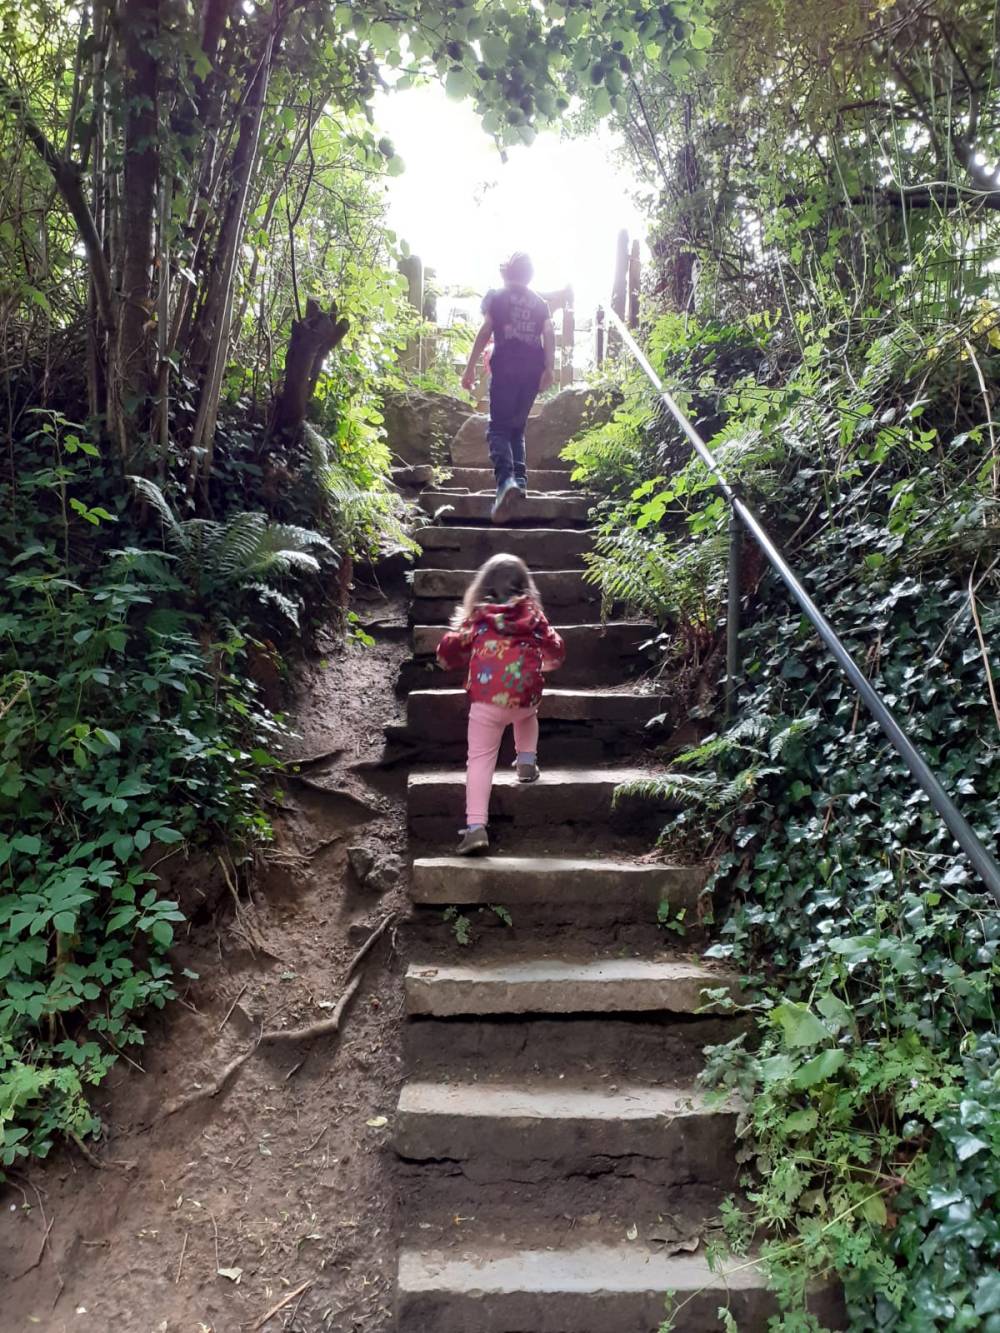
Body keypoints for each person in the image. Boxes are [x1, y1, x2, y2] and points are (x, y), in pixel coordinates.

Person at [435, 553, 566, 855]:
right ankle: (526, 762)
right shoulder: (534, 617)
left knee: (480, 758)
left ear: (482, 588)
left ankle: (476, 827)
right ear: (526, 587)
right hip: (525, 695)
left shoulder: (479, 618)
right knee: (527, 714)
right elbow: (556, 647)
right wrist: (547, 662)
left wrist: (449, 660)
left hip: (487, 700)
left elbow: (449, 648)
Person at [461, 253, 556, 524]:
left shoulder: (498, 297)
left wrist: (469, 369)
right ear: (530, 276)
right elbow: (548, 333)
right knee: (517, 426)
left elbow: (486, 330)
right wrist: (549, 368)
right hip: (532, 371)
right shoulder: (539, 303)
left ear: (507, 272)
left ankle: (506, 483)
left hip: (505, 368)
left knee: (498, 428)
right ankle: (521, 481)